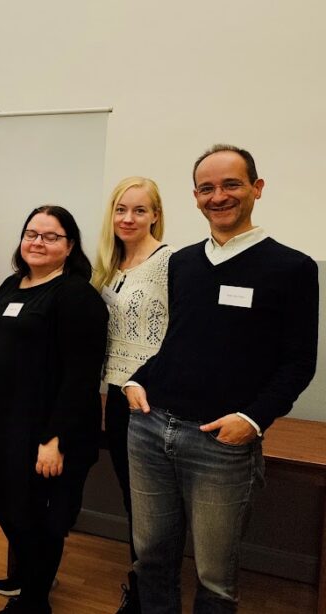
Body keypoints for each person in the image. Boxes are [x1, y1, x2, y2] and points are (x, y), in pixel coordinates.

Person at [125, 145, 319, 613]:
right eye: (207, 188)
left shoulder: (292, 268)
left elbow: (299, 363)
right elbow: (178, 339)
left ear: (257, 188)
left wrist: (252, 419)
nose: (219, 196)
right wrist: (137, 379)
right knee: (150, 556)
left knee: (214, 575)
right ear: (195, 197)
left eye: (231, 184)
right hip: (152, 429)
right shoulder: (183, 262)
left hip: (222, 443)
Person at [0, 205, 108, 614]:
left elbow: (82, 375)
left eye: (50, 236)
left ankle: (35, 600)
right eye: (31, 233)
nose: (38, 242)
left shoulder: (76, 295)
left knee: (38, 517)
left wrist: (54, 439)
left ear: (70, 246)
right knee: (8, 506)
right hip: (0, 423)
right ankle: (32, 572)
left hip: (43, 429)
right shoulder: (13, 283)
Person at [91, 177, 170, 613]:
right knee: (131, 500)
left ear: (156, 214)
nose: (129, 218)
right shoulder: (108, 264)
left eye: (140, 210)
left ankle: (149, 596)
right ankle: (140, 589)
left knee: (153, 508)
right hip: (115, 395)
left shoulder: (169, 263)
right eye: (122, 209)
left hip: (152, 398)